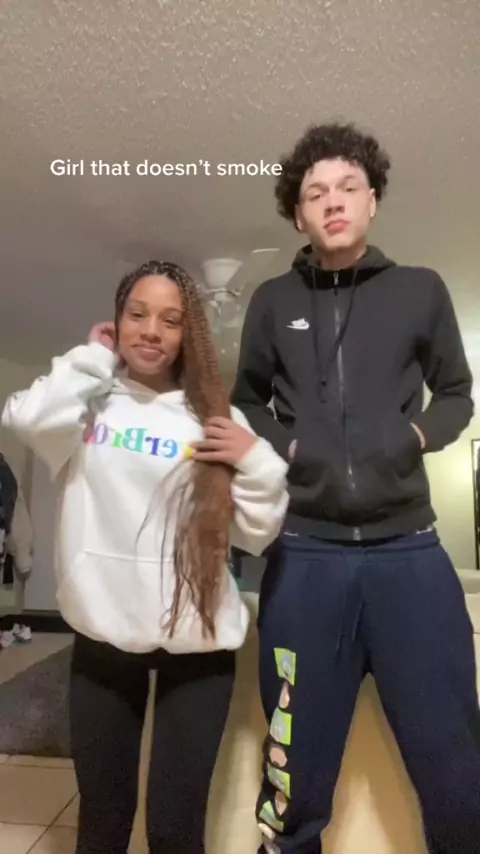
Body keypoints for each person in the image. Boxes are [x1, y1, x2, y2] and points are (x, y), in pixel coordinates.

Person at [231, 122, 480, 854]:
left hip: (411, 557)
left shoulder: (419, 289)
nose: (333, 201)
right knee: (291, 772)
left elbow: (457, 396)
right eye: (315, 193)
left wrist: (413, 437)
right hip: (304, 559)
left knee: (456, 767)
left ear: (372, 201)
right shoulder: (272, 301)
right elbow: (247, 403)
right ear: (298, 215)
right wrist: (292, 446)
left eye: (348, 187)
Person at [2, 260, 289, 854]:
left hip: (199, 645)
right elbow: (25, 418)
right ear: (117, 321)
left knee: (176, 829)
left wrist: (257, 460)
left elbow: (257, 533)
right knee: (103, 823)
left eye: (170, 320)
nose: (151, 331)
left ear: (189, 335)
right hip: (104, 639)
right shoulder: (88, 406)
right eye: (137, 314)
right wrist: (91, 358)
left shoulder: (213, 417)